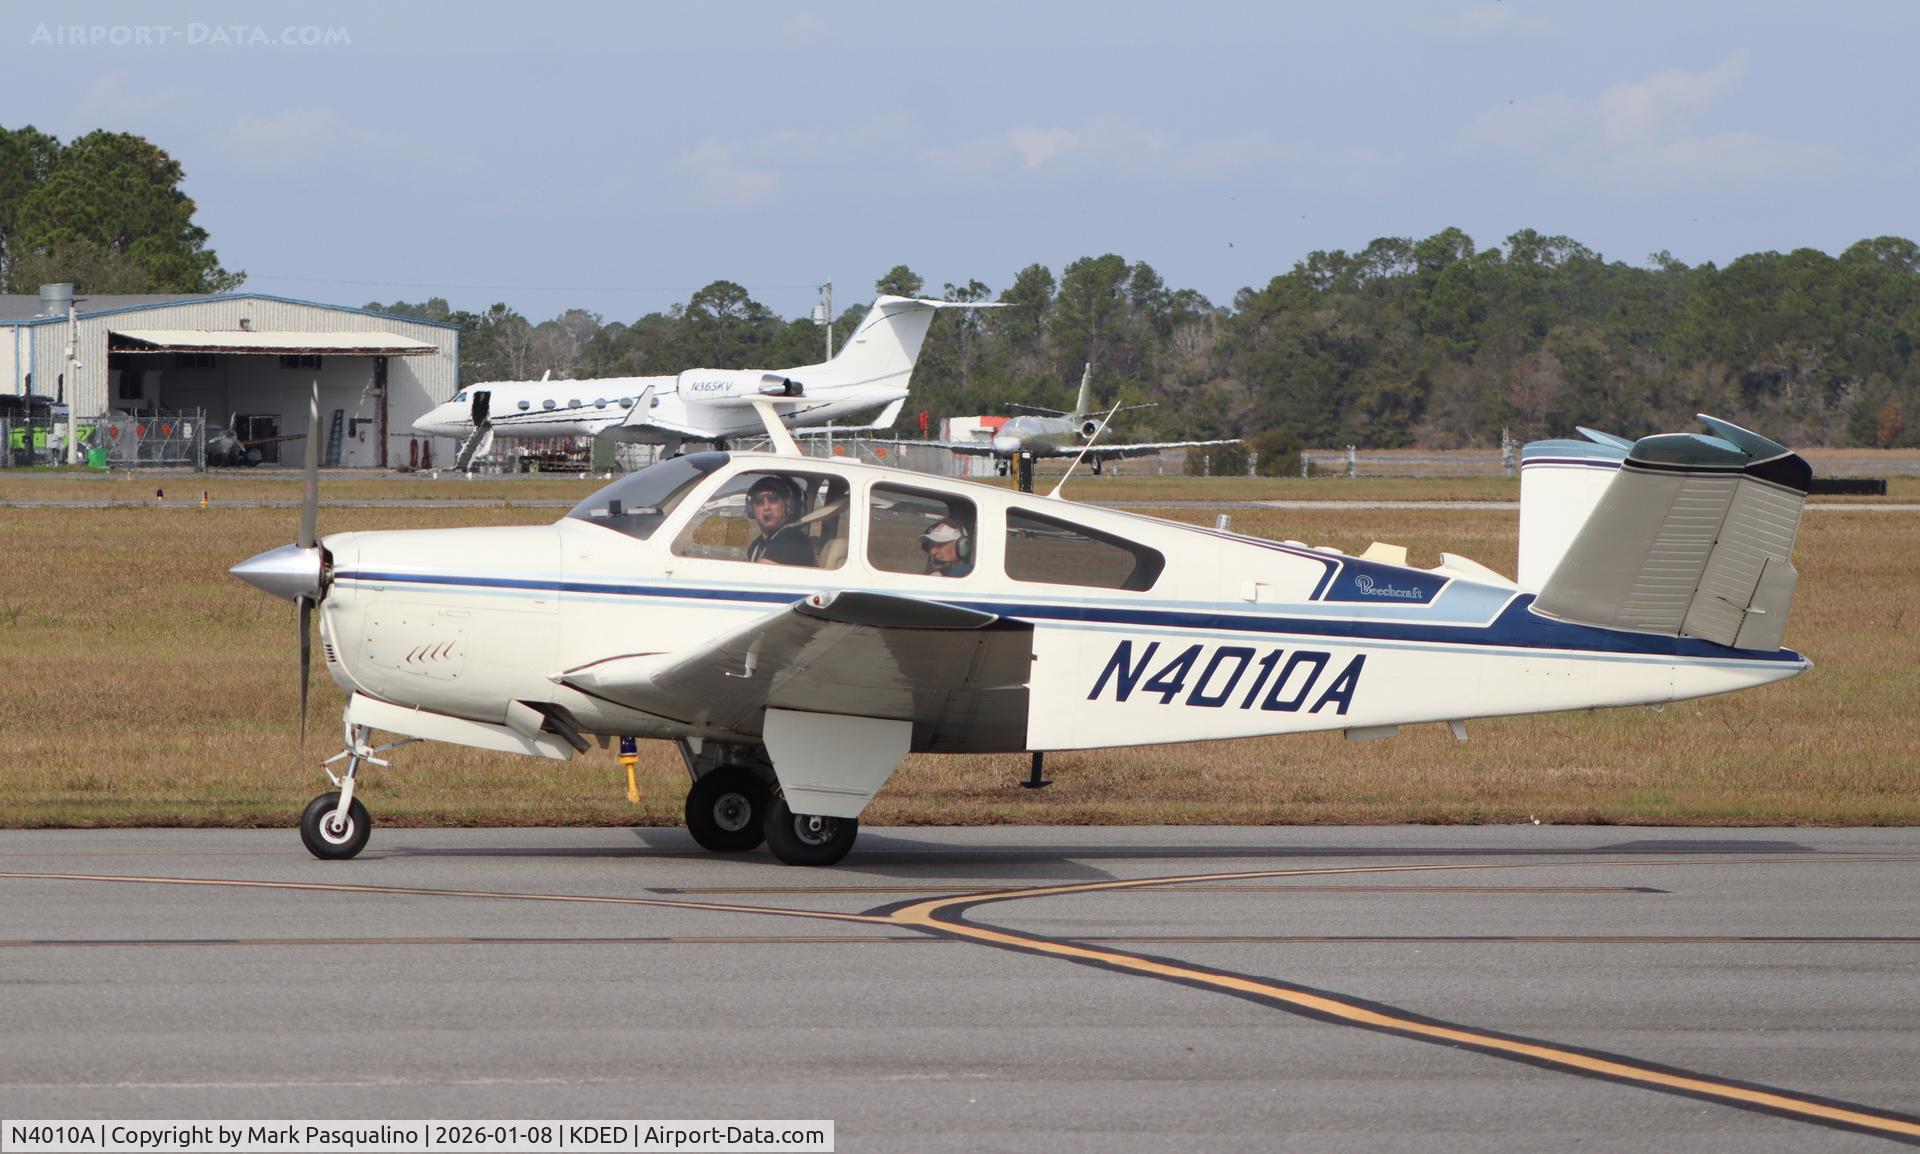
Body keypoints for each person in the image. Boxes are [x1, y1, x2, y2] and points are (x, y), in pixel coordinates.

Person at [744, 475, 815, 566]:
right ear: (751, 509)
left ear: (788, 506)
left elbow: (759, 575)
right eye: (759, 501)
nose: (766, 507)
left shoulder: (793, 540)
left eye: (773, 499)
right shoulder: (756, 545)